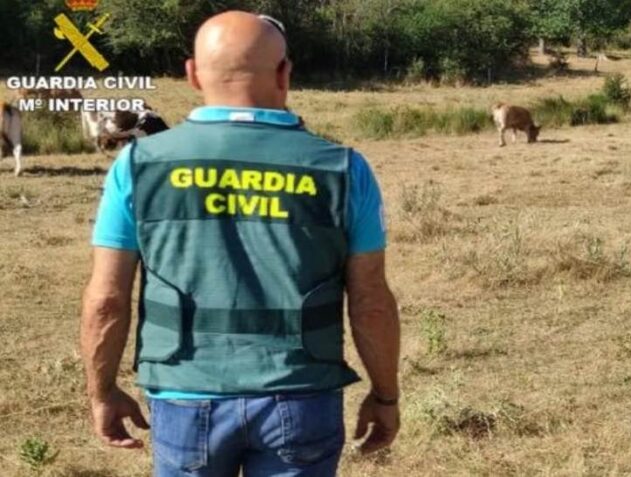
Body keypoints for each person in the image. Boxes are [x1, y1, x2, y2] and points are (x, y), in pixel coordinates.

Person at [80, 11, 400, 477]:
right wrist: (385, 393)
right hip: (302, 393)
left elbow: (107, 300)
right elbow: (370, 301)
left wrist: (101, 391)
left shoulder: (137, 165)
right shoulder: (344, 170)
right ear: (285, 73)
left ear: (191, 74)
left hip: (184, 396)